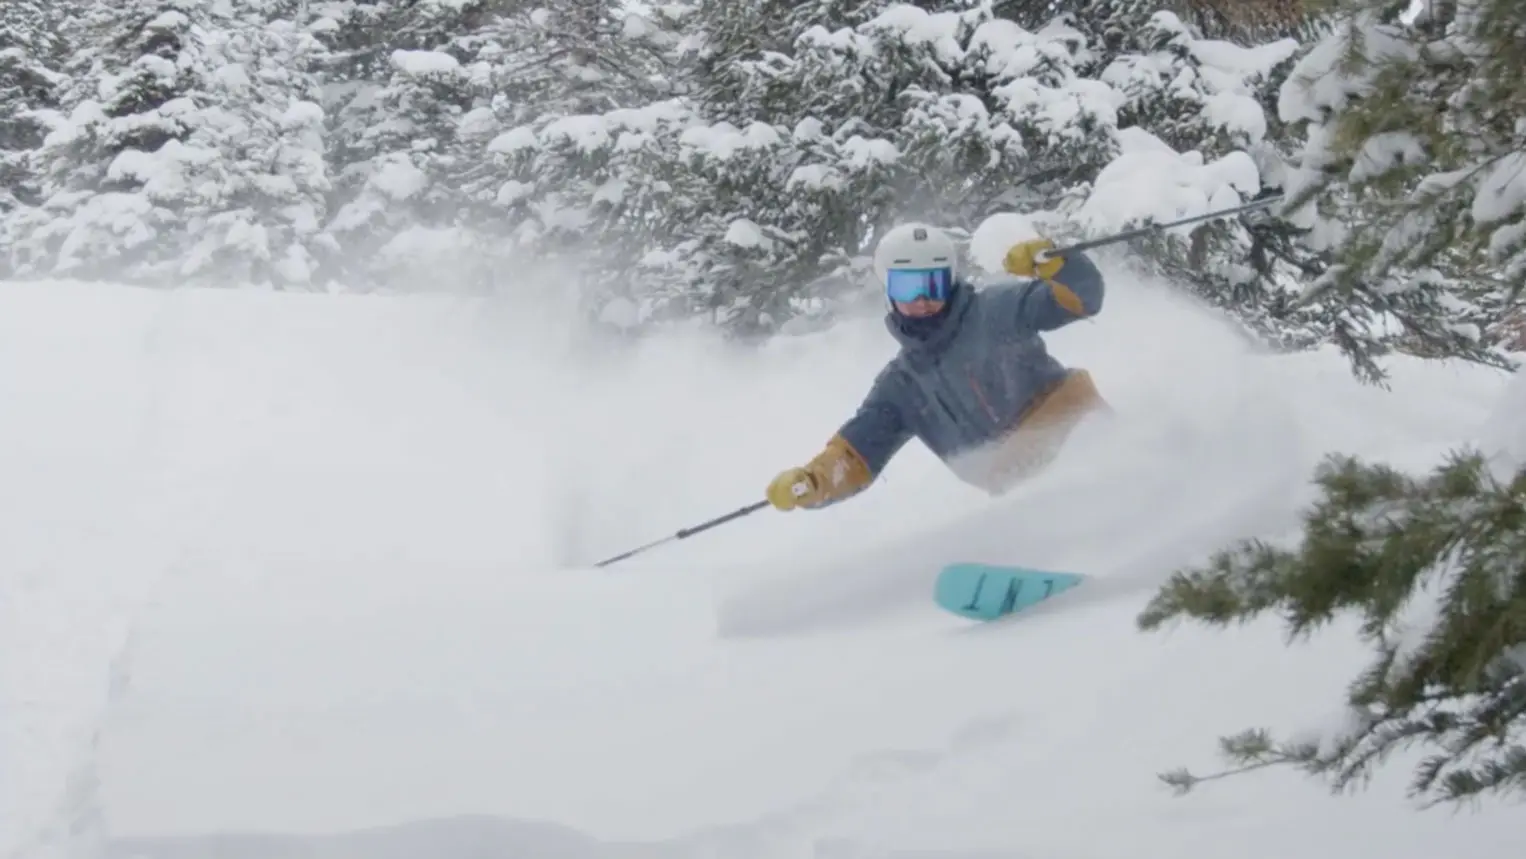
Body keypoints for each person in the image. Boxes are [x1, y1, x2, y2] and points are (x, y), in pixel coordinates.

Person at [766, 223, 1110, 511]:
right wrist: (812, 482)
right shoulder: (902, 385)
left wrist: (1060, 266)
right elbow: (855, 456)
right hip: (1020, 484)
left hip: (1079, 436)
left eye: (933, 284)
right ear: (888, 288)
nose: (922, 298)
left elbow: (1082, 298)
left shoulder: (996, 311)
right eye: (908, 286)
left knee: (1093, 491)